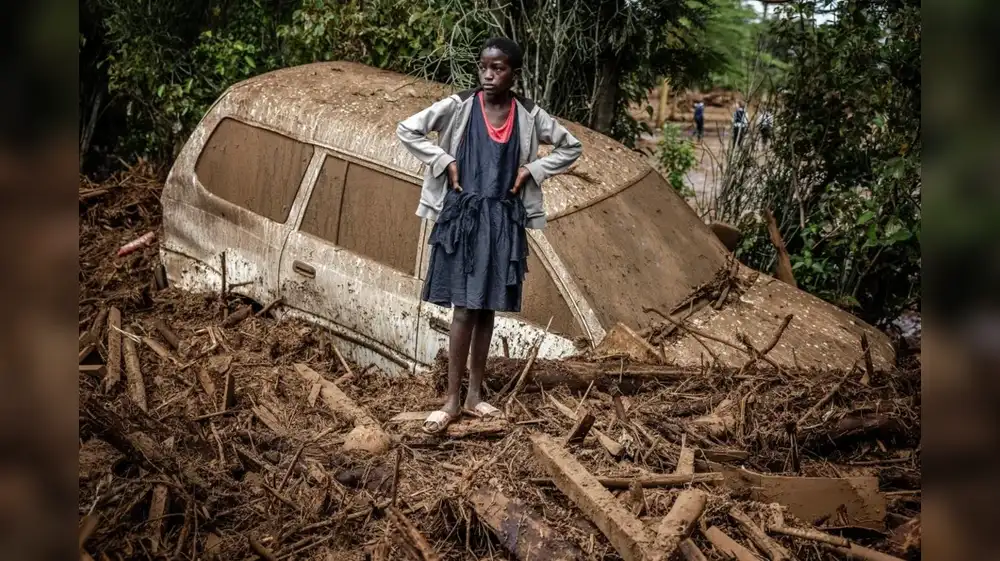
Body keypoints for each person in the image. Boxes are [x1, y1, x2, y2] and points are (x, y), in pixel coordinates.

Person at [397, 37, 583, 434]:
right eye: (483, 66)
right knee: (463, 309)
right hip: (464, 219)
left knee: (486, 311)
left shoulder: (529, 115)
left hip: (502, 221)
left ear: (514, 73)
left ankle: (475, 396)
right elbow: (408, 129)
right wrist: (444, 160)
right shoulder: (459, 106)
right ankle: (450, 399)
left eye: (497, 68)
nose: (487, 74)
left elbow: (571, 146)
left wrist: (532, 170)